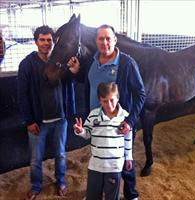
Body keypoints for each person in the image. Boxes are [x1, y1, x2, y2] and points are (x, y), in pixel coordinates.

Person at [69, 24, 145, 200]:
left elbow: (140, 93)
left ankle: (131, 194)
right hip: (96, 121)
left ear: (115, 40)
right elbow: (91, 81)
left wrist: (130, 121)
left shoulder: (127, 63)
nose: (105, 42)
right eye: (101, 38)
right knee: (101, 156)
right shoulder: (91, 61)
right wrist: (76, 73)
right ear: (96, 41)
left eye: (108, 38)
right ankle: (100, 191)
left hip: (118, 123)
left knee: (125, 160)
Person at [17, 25, 78, 200]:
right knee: (36, 158)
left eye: (49, 40)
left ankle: (60, 181)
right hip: (38, 122)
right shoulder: (27, 64)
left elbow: (69, 85)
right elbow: (22, 95)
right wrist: (29, 121)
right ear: (36, 42)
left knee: (60, 154)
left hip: (60, 119)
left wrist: (74, 72)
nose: (46, 43)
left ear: (54, 42)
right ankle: (36, 186)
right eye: (42, 40)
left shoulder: (61, 61)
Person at [73, 82, 133, 200]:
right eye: (105, 101)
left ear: (117, 98)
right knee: (93, 196)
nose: (109, 105)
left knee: (112, 196)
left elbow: (128, 138)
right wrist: (80, 131)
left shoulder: (125, 116)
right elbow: (87, 134)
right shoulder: (93, 115)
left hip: (114, 166)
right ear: (99, 100)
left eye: (112, 100)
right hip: (96, 165)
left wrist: (129, 157)